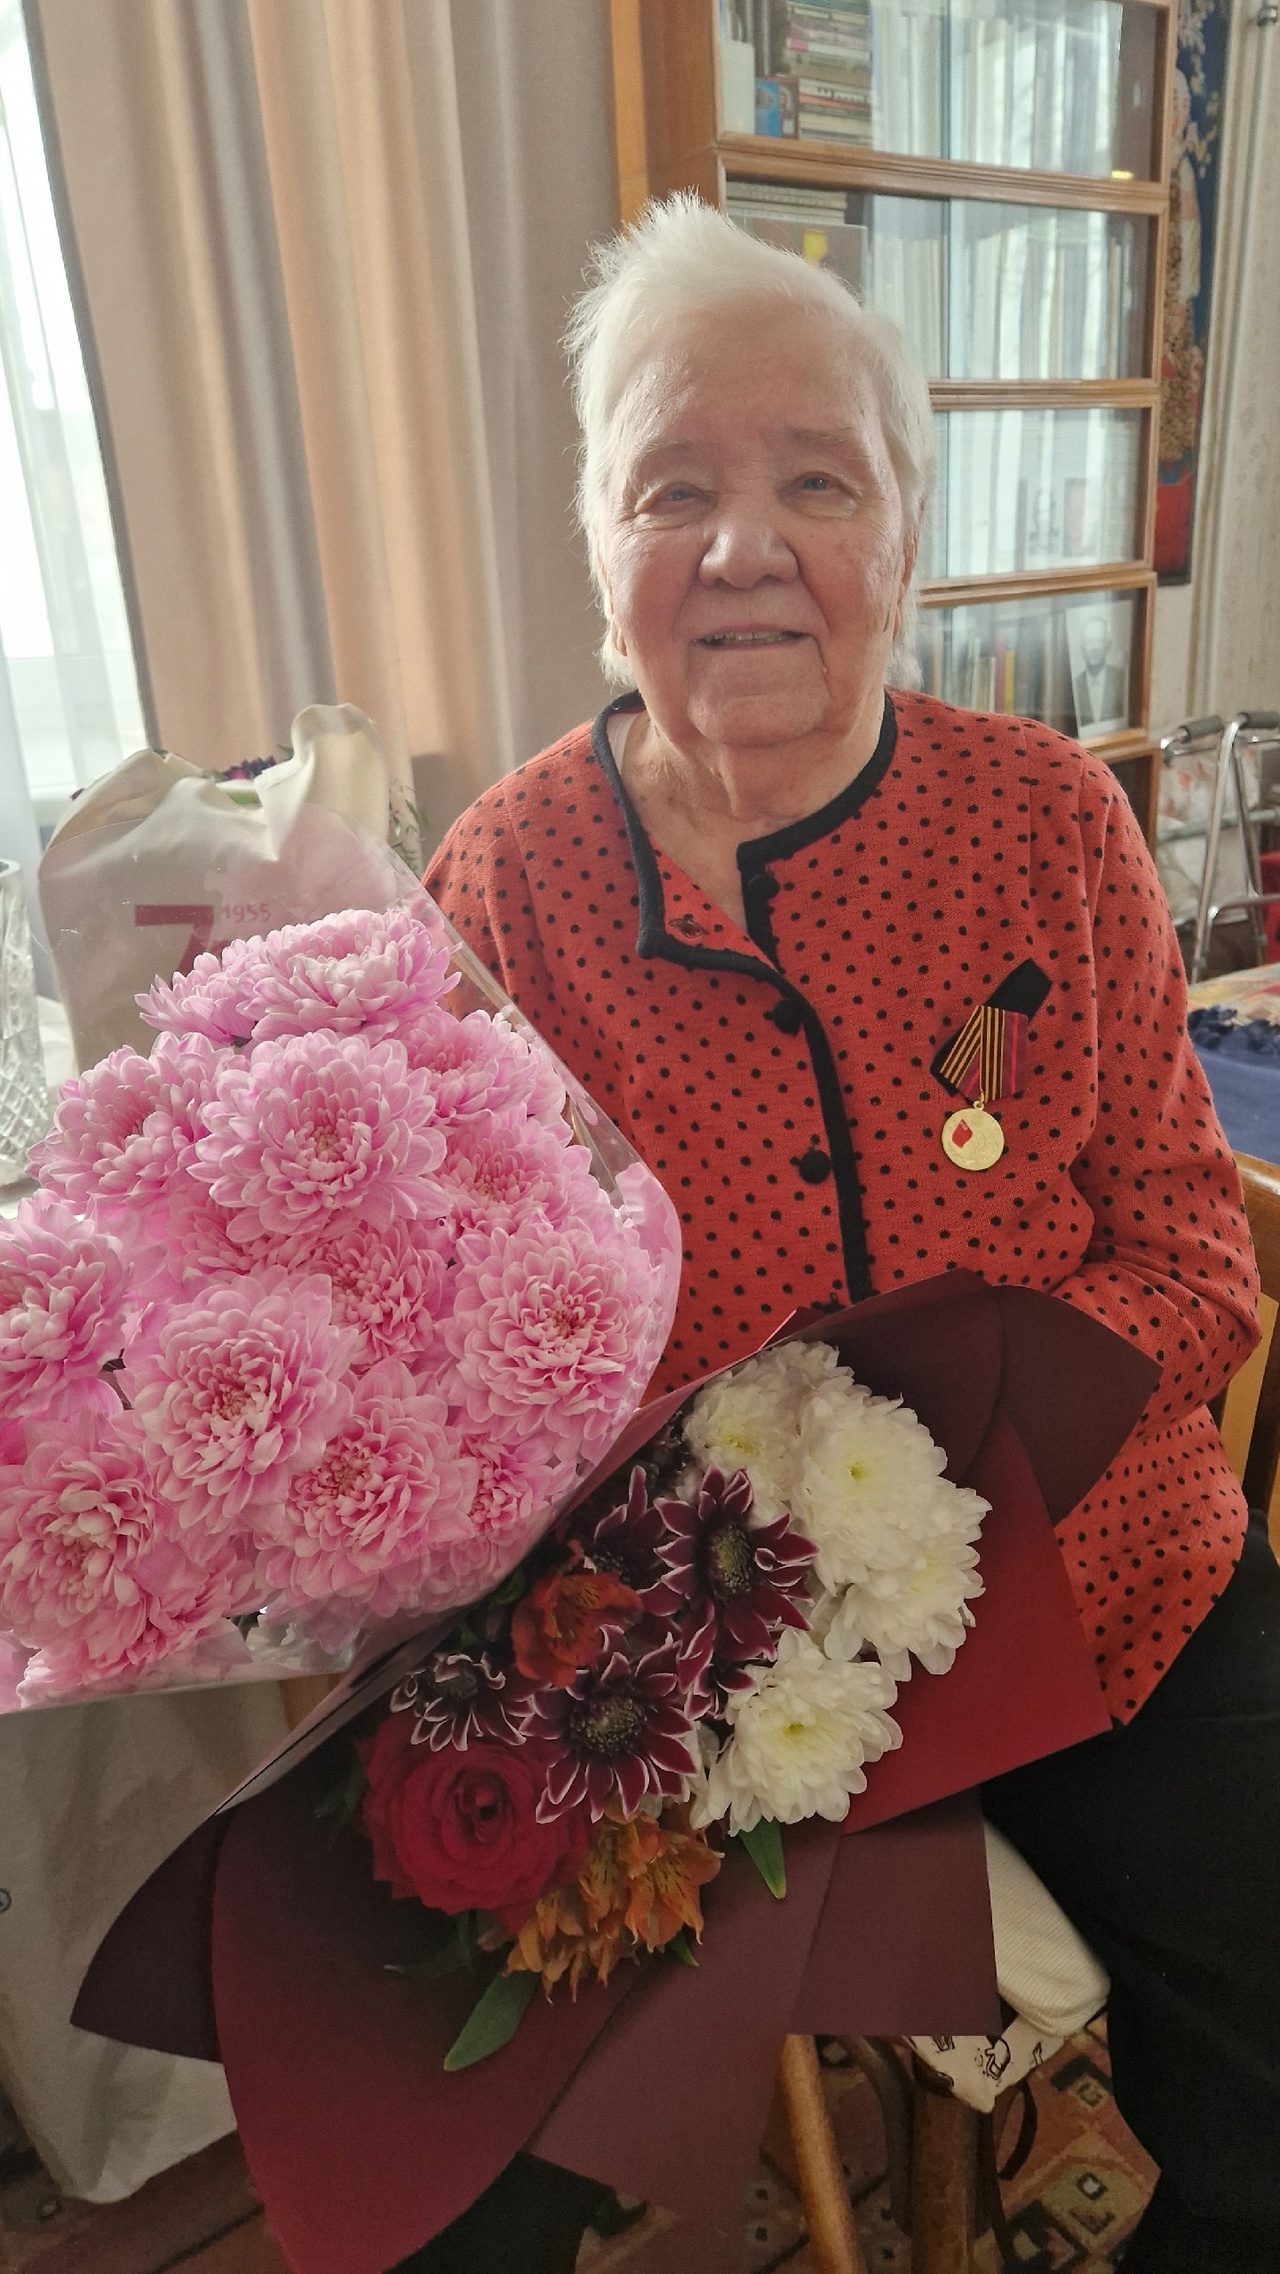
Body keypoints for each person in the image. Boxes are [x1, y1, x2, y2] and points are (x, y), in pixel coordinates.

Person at [420, 195, 1275, 2274]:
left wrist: (940, 1472)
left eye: (819, 480)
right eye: (672, 487)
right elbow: (460, 1342)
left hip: (1104, 1581)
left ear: (907, 532)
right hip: (675, 1641)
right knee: (441, 2132)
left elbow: (1192, 1250)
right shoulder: (504, 884)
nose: (743, 546)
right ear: (596, 546)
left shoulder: (1046, 820)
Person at [1072, 608, 1127, 731]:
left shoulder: (1122, 679)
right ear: (1082, 647)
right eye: (1089, 641)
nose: (1094, 648)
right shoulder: (1075, 684)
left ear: (1108, 645)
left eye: (1099, 641)